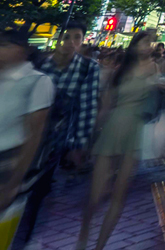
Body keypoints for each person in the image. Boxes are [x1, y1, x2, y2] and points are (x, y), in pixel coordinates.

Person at [77, 31, 161, 250]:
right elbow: (105, 107)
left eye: (150, 43)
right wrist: (90, 136)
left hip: (135, 131)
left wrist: (161, 86)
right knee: (94, 197)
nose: (147, 47)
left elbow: (157, 101)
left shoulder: (155, 68)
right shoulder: (119, 70)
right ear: (133, 46)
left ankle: (100, 245)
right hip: (113, 128)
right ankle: (83, 237)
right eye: (143, 43)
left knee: (119, 196)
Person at [20, 23, 101, 243]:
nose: (70, 42)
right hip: (28, 132)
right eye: (66, 37)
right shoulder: (41, 64)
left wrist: (78, 144)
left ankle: (25, 236)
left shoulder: (88, 67)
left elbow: (87, 105)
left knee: (39, 188)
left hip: (56, 137)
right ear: (57, 39)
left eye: (77, 38)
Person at [0, 26, 54, 246]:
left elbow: (34, 136)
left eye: (4, 46)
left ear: (22, 50)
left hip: (7, 165)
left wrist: (14, 183)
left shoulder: (37, 81)